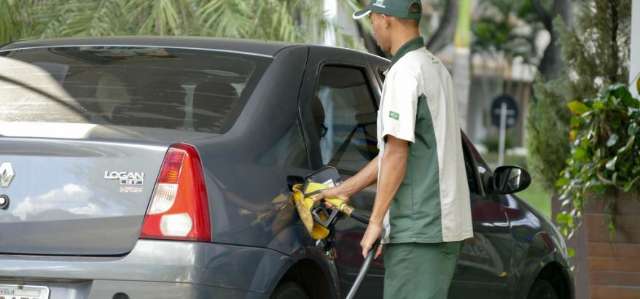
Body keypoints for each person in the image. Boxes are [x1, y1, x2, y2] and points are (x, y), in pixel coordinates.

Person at [313, 0, 473, 298]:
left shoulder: (404, 74)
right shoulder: (435, 68)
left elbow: (398, 154)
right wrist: (345, 190)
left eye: (372, 18)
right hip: (438, 228)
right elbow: (395, 151)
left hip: (419, 229)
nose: (372, 27)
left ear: (386, 18)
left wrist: (375, 222)